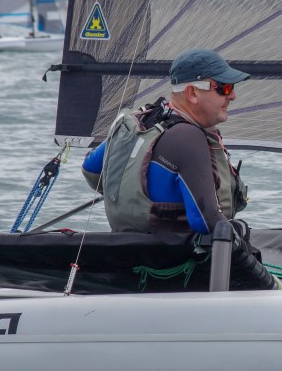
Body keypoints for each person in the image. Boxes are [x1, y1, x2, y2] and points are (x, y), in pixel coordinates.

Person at [81, 48, 250, 235]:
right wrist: (241, 230)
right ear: (192, 93)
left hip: (124, 246)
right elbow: (205, 221)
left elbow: (91, 170)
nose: (232, 96)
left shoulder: (141, 122)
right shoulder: (188, 138)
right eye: (224, 88)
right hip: (173, 252)